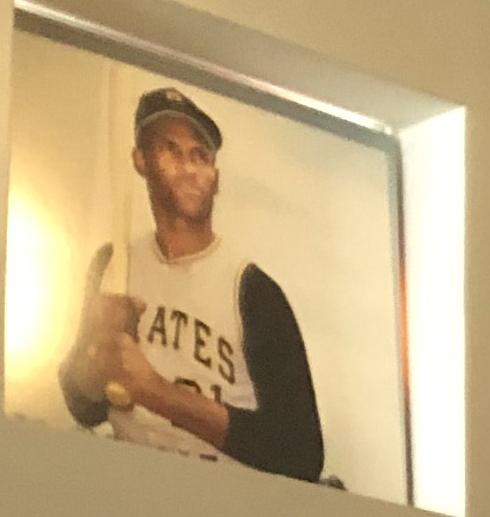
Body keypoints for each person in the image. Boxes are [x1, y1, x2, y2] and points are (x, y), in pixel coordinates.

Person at [61, 88, 327, 482]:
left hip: (221, 506)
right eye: (170, 150)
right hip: (126, 489)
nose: (188, 167)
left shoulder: (251, 290)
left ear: (215, 177)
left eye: (199, 155)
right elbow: (85, 407)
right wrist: (94, 359)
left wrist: (154, 391)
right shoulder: (113, 263)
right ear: (140, 161)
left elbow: (300, 453)